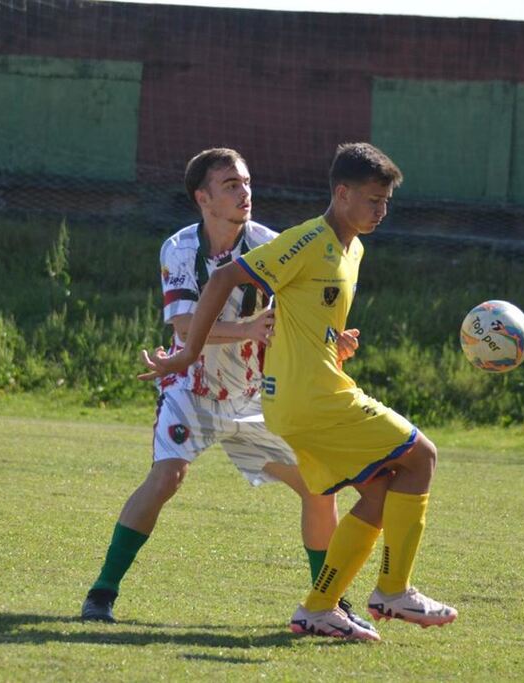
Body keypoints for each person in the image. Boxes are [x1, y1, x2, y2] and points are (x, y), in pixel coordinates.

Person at [140, 142, 458, 642]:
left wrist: (334, 342)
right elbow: (224, 276)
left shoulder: (353, 248)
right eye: (373, 199)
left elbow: (300, 315)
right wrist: (185, 354)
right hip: (311, 400)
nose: (381, 210)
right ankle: (393, 590)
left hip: (310, 394)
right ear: (342, 193)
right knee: (422, 457)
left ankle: (319, 607)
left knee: (377, 493)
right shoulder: (309, 239)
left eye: (387, 202)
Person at [81, 148, 371, 630]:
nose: (245, 193)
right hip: (191, 388)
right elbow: (182, 326)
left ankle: (328, 603)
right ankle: (101, 594)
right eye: (231, 185)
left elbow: (298, 316)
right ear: (203, 197)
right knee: (166, 478)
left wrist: (330, 340)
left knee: (319, 486)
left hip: (256, 396)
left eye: (247, 182)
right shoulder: (179, 248)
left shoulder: (273, 243)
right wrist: (249, 329)